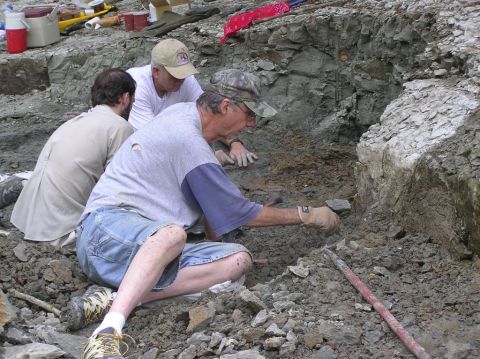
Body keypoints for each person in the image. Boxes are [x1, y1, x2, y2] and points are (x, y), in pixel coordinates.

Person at [71, 69, 339, 359]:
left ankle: (110, 300)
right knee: (173, 234)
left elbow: (210, 206)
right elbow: (238, 211)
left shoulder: (189, 118)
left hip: (133, 248)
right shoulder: (189, 140)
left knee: (237, 261)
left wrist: (219, 249)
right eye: (249, 115)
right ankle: (107, 332)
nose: (251, 124)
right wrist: (306, 214)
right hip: (105, 232)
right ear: (226, 106)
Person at [10, 69, 136, 249]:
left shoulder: (73, 123)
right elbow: (122, 190)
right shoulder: (120, 128)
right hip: (61, 233)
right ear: (125, 98)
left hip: (27, 224)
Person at [127, 38, 258, 167]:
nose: (181, 81)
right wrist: (205, 156)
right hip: (136, 149)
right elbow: (155, 139)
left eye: (183, 74)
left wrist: (234, 142)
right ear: (156, 71)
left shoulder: (185, 80)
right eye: (175, 76)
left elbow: (211, 116)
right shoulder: (136, 86)